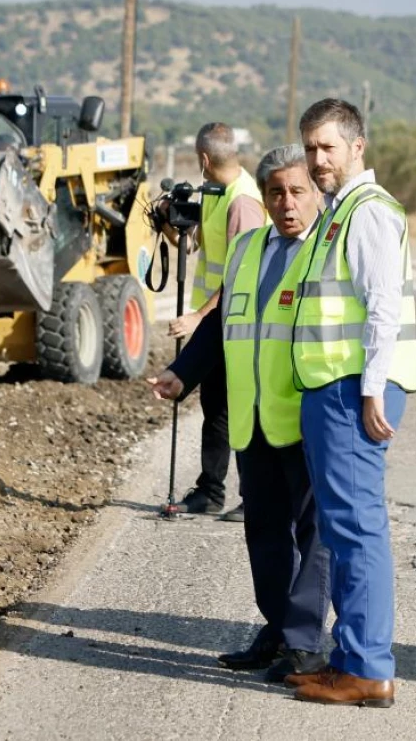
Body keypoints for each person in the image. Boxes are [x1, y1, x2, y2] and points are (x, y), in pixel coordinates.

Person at [148, 144, 331, 682]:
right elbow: (223, 320)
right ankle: (277, 632)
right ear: (266, 195)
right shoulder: (250, 247)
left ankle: (305, 644)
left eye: (298, 191)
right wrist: (184, 371)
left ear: (316, 193)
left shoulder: (330, 248)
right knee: (265, 534)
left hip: (309, 420)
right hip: (254, 423)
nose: (287, 203)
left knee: (312, 536)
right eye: (276, 192)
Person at [285, 99, 416, 707]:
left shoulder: (367, 212)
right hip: (332, 392)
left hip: (350, 393)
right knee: (342, 533)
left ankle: (367, 669)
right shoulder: (337, 214)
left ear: (356, 148)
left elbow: (383, 307)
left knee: (357, 532)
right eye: (310, 148)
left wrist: (370, 390)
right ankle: (348, 660)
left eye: (327, 148)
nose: (316, 160)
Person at [168, 122, 265, 520]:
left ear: (204, 159)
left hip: (239, 321)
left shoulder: (243, 202)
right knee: (217, 407)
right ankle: (211, 491)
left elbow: (242, 274)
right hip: (217, 323)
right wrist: (170, 224)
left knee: (240, 407)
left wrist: (197, 318)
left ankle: (254, 497)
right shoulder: (216, 192)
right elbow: (195, 248)